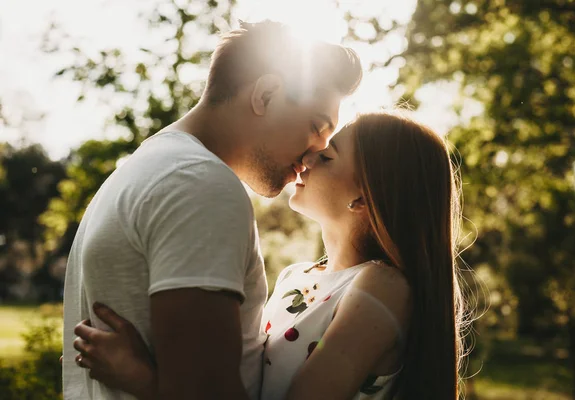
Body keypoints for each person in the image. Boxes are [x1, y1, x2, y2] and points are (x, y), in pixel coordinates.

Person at [62, 20, 362, 400]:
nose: (315, 151)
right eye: (316, 125)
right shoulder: (199, 184)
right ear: (266, 95)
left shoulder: (142, 169)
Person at [72, 112, 468, 399]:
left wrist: (143, 379)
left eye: (326, 158)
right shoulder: (297, 278)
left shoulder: (381, 288)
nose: (306, 159)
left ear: (364, 198)